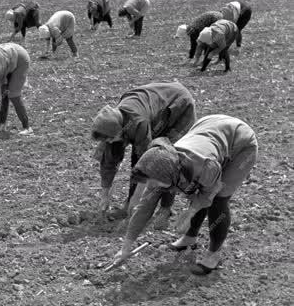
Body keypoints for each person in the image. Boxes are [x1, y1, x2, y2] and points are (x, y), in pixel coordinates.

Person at [114, 115, 258, 275]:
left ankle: (213, 255)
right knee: (196, 192)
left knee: (218, 200)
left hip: (241, 143)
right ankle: (189, 238)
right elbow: (144, 209)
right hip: (208, 126)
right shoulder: (161, 167)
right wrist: (126, 247)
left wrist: (190, 213)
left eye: (155, 182)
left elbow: (208, 194)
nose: (152, 185)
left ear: (169, 176)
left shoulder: (205, 167)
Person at [92, 82, 197, 229]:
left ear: (120, 131)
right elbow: (109, 161)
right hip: (155, 115)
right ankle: (127, 206)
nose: (109, 142)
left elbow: (146, 165)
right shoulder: (112, 124)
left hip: (178, 107)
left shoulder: (137, 122)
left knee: (167, 158)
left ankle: (165, 209)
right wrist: (105, 195)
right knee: (133, 157)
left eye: (110, 139)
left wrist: (137, 202)